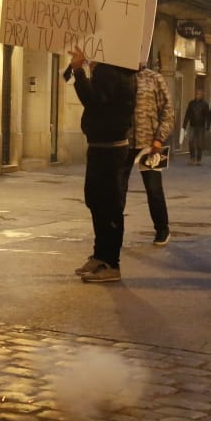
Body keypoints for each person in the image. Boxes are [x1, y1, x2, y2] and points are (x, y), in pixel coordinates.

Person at [66, 48, 137, 283]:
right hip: (104, 146)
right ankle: (100, 256)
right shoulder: (118, 69)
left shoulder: (110, 71)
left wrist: (79, 71)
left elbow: (93, 101)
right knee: (98, 202)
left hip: (108, 147)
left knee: (107, 206)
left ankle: (110, 263)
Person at [132, 64, 174, 246]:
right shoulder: (119, 76)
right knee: (117, 191)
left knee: (154, 189)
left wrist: (159, 138)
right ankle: (114, 232)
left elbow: (168, 111)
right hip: (122, 143)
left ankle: (162, 228)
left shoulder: (154, 78)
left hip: (150, 145)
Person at [183, 89, 211, 165]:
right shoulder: (191, 103)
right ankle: (192, 157)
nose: (198, 95)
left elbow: (207, 116)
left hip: (200, 126)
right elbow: (187, 114)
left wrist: (208, 125)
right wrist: (184, 125)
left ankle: (198, 159)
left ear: (202, 95)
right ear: (195, 95)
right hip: (192, 125)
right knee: (191, 141)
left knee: (199, 143)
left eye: (200, 94)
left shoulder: (205, 104)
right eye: (197, 94)